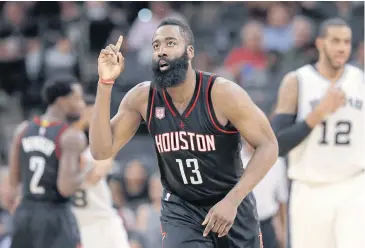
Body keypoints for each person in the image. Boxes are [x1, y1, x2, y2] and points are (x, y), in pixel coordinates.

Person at [90, 18, 278, 248]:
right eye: (156, 46)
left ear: (189, 51)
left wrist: (233, 200)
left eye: (170, 43)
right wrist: (105, 82)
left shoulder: (222, 93)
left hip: (231, 203)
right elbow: (101, 151)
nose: (161, 51)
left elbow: (269, 145)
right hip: (181, 209)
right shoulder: (142, 98)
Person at [272, 18, 365, 248]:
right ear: (320, 43)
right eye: (335, 41)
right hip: (308, 188)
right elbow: (278, 144)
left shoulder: (361, 81)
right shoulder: (297, 81)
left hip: (352, 186)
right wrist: (319, 113)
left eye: (346, 41)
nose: (342, 47)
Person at [8, 75, 88, 248]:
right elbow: (65, 188)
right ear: (62, 101)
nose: (82, 104)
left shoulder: (22, 130)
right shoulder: (71, 136)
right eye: (78, 98)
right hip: (55, 216)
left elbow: (13, 180)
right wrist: (86, 169)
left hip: (26, 213)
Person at [71, 96, 130, 248]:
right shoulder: (66, 146)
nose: (91, 118)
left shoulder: (97, 149)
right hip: (76, 224)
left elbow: (95, 176)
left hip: (103, 221)